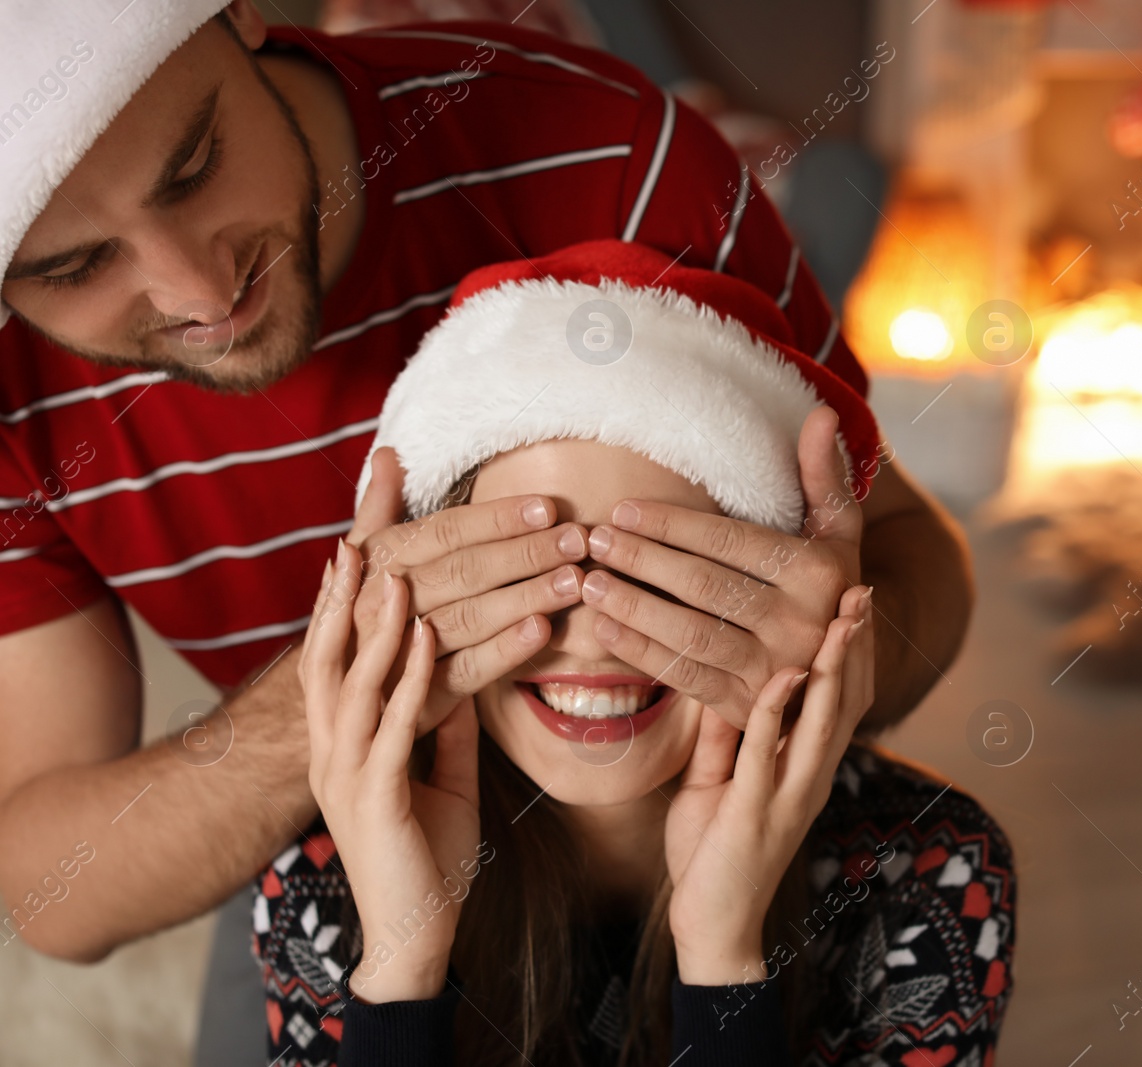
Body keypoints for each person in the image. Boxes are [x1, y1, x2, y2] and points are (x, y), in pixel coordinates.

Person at [0, 0, 971, 1012]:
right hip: (357, 867)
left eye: (195, 163)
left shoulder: (611, 157)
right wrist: (341, 692)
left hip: (716, 844)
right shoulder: (11, 394)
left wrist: (817, 659)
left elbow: (917, 557)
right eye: (75, 266)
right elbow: (54, 893)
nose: (198, 288)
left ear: (242, 12)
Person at [286, 240, 1015, 1064]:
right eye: (538, 569)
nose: (594, 635)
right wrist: (400, 956)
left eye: (666, 575)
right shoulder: (326, 872)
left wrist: (724, 956)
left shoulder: (932, 869)